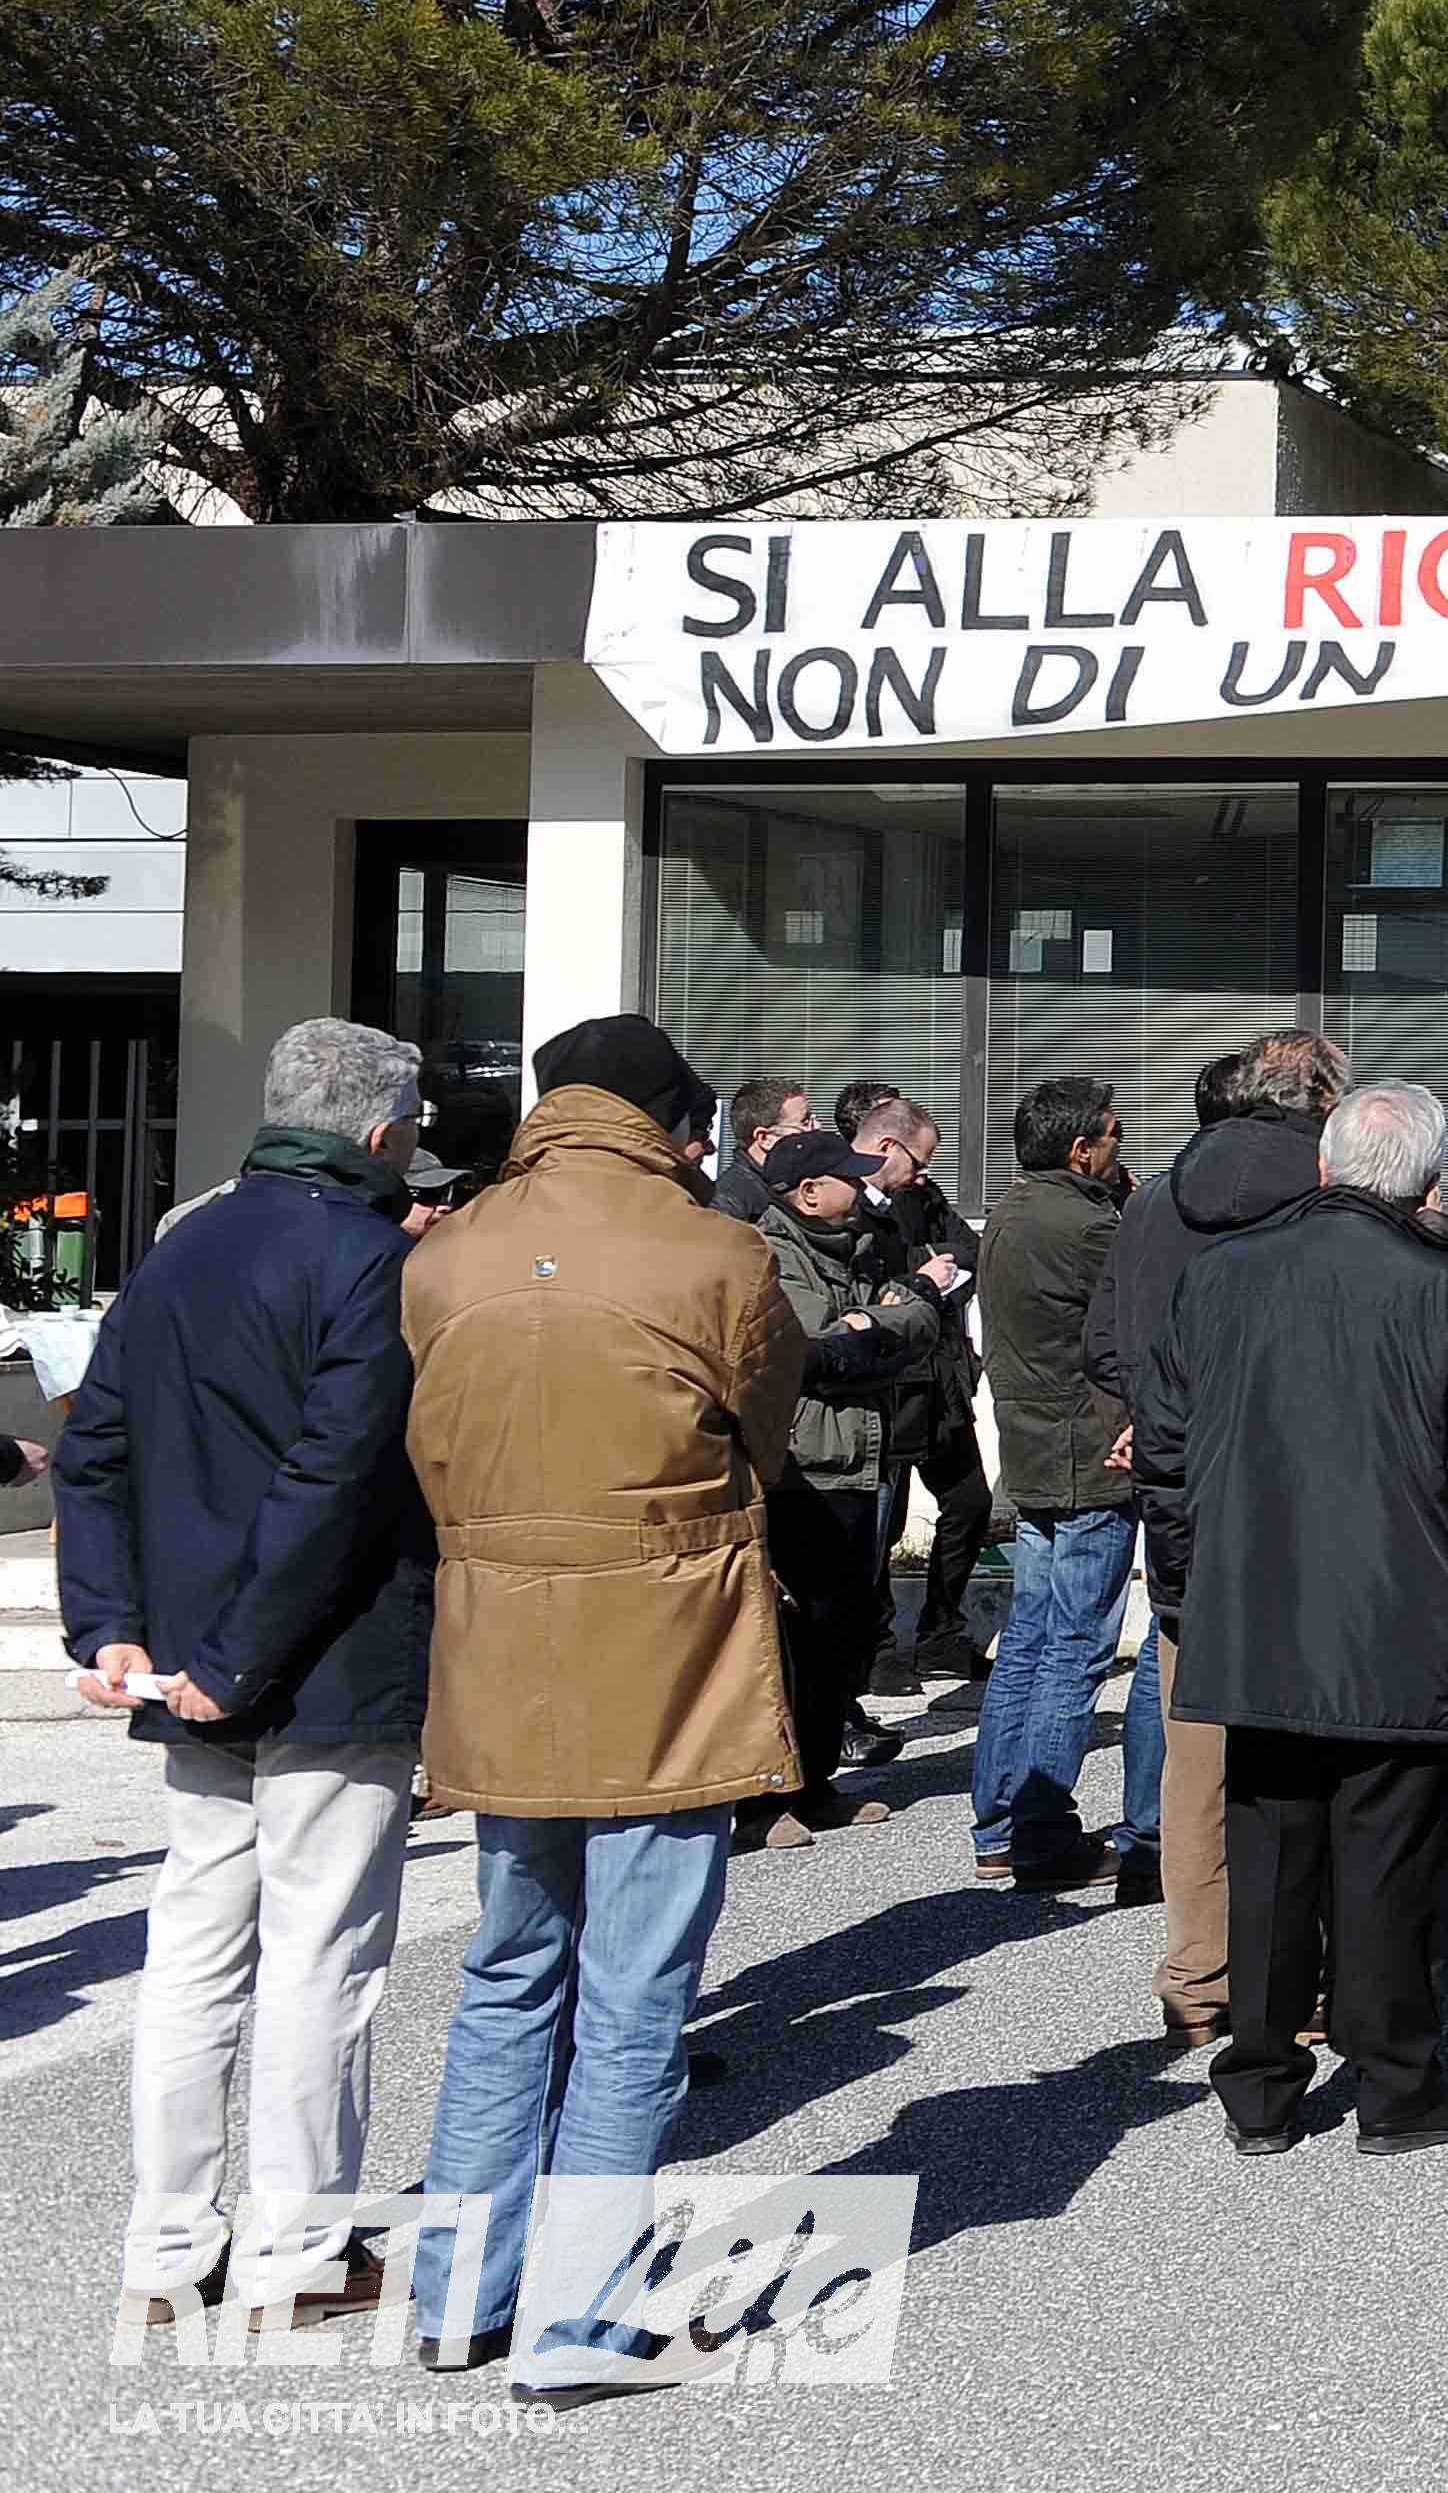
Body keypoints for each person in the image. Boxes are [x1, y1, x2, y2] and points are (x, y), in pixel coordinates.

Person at [392, 1014, 806, 2398]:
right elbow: (765, 1430)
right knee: (635, 1993)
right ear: (667, 1116)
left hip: (498, 1631)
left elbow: (426, 1437)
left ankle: (456, 2297)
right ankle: (578, 2320)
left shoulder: (446, 1248)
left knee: (508, 1969)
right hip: (668, 1633)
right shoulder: (718, 1252)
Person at [58, 1018, 438, 2327]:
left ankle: (166, 2249)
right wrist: (226, 1655)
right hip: (325, 1656)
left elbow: (94, 1447)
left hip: (187, 1655)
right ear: (382, 1134)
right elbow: (335, 1479)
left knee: (196, 1951)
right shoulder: (373, 1259)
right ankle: (296, 2254)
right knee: (320, 1959)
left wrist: (110, 1626)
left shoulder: (181, 1247)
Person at [1137, 1084, 1448, 2158]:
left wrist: (1185, 1586)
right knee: (1387, 1856)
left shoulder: (1220, 1274)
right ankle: (1395, 2084)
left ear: (1325, 1167)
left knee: (1269, 1848)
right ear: (1426, 1183)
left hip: (1256, 1603)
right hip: (1398, 1610)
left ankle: (1261, 2086)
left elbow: (1165, 1453)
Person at [1088, 1032, 1338, 2045]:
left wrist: (1146, 1418)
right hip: (1302, 1502)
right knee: (1308, 1757)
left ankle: (1198, 1977)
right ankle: (1298, 1978)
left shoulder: (1151, 1202)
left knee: (1197, 1755)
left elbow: (1103, 1343)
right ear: (1321, 1099)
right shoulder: (1329, 1192)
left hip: (1182, 1499)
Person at [973, 1075, 1156, 1898]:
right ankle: (1042, 1833)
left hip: (1034, 1450)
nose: (1122, 1150)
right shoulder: (1087, 1227)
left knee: (1030, 1641)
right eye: (1114, 1137)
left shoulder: (1012, 1210)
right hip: (1087, 1453)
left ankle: (999, 1825)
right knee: (1076, 1649)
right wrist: (1137, 1212)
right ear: (1081, 1150)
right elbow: (1142, 1304)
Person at [744, 1128, 946, 1849]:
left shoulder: (856, 1249)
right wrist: (873, 1329)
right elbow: (807, 1357)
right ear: (808, 1192)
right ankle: (765, 1800)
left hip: (861, 1460)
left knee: (840, 1633)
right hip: (802, 1470)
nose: (863, 1190)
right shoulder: (768, 1256)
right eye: (847, 1179)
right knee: (792, 1640)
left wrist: (877, 1323)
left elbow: (912, 1326)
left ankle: (818, 1784)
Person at [856, 1093, 991, 1687]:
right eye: (918, 1160)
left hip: (940, 1378)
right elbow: (871, 1292)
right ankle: (879, 1646)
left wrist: (931, 1270)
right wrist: (920, 1274)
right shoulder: (852, 1204)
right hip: (889, 1386)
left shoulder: (925, 1197)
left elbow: (968, 1251)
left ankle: (941, 1632)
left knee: (969, 1502)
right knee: (883, 1520)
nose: (923, 1173)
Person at [709, 1074, 805, 1224]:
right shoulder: (729, 1202)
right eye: (805, 1122)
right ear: (765, 1138)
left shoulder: (790, 1182)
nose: (817, 1126)